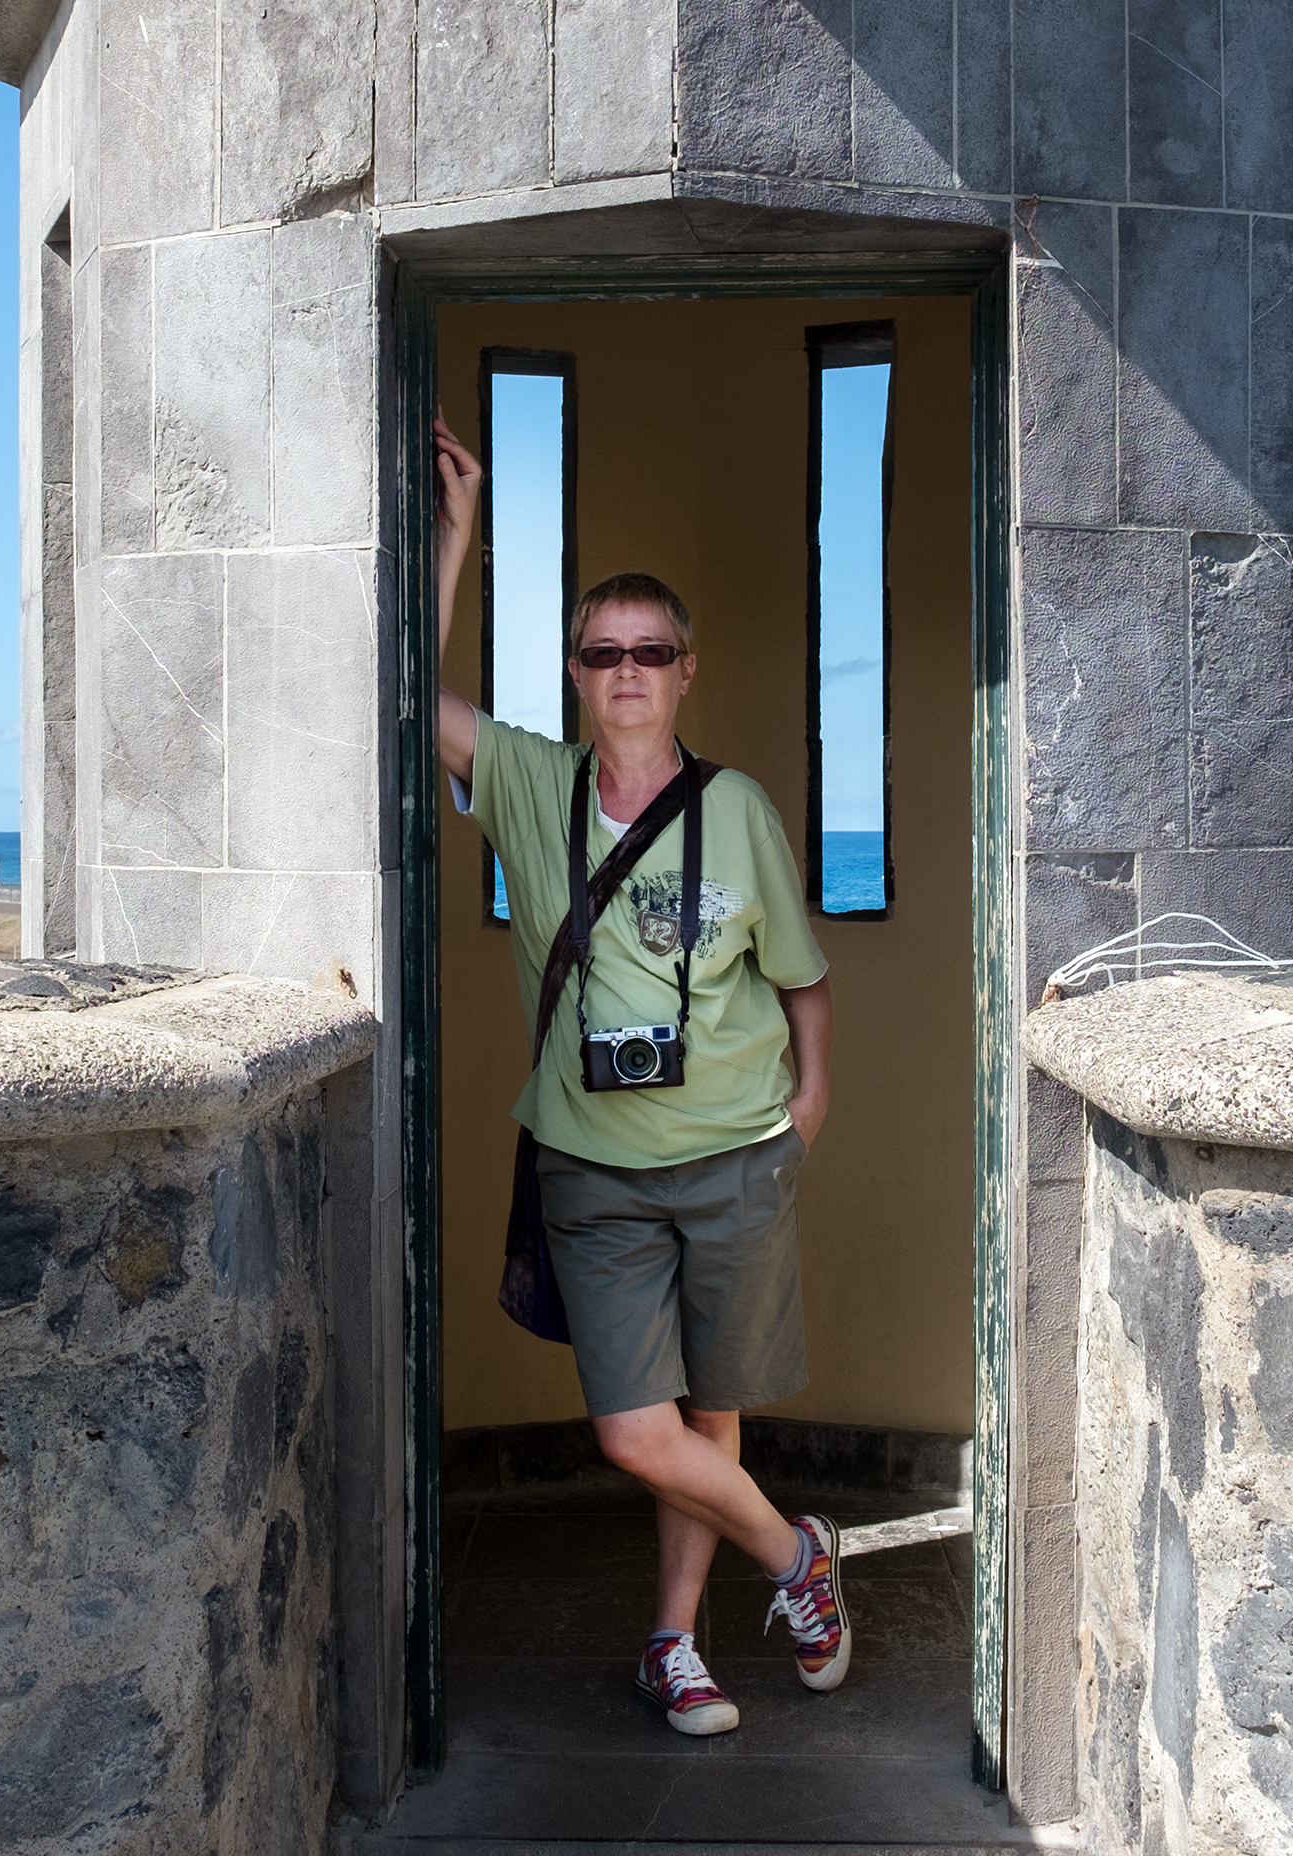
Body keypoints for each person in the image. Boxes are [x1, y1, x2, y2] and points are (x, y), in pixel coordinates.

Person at [434, 412, 850, 1741]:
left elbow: (802, 977)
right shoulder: (525, 783)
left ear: (685, 672)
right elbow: (399, 692)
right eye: (601, 653)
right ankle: (803, 1564)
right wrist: (455, 536)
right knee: (636, 1428)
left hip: (734, 1154)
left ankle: (678, 1647)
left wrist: (812, 1096)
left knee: (709, 1417)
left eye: (649, 653)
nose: (626, 671)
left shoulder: (738, 812)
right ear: (573, 673)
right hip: (593, 1166)